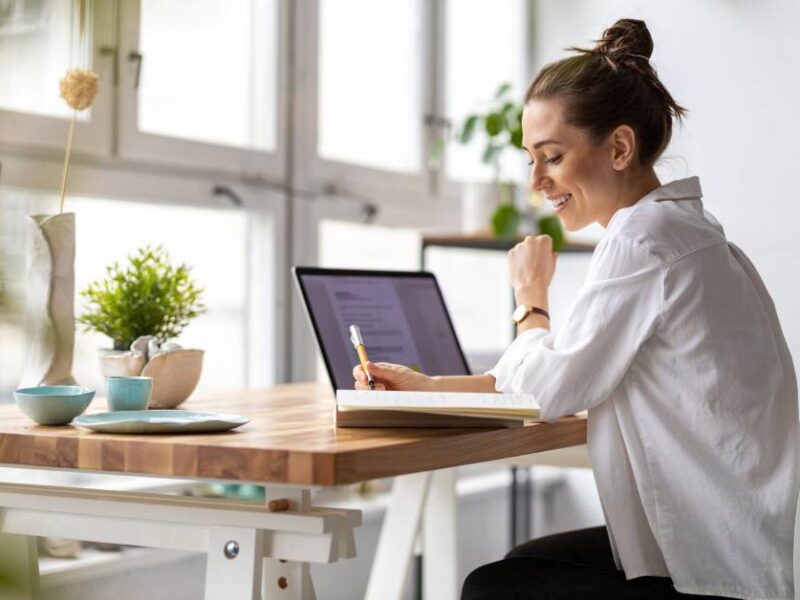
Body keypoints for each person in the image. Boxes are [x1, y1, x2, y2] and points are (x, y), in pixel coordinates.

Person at [352, 18, 799, 600]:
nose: (537, 180)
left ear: (618, 147)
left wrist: (529, 300)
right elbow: (563, 369)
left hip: (719, 568)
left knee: (495, 587)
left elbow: (549, 391)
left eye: (552, 157)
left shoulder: (644, 240)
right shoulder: (681, 228)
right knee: (525, 563)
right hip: (745, 542)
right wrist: (429, 384)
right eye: (529, 159)